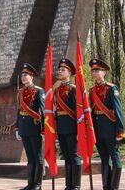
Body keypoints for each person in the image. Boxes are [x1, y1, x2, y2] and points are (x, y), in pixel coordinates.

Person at [89, 58, 125, 190]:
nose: (95, 73)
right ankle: (106, 186)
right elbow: (91, 113)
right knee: (104, 159)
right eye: (93, 71)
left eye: (97, 70)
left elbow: (118, 110)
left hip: (111, 128)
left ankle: (114, 186)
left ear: (104, 72)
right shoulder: (92, 90)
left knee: (115, 158)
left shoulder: (111, 88)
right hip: (98, 130)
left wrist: (120, 130)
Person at [14, 63, 45, 190]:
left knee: (38, 156)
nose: (23, 77)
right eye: (22, 75)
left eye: (26, 75)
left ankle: (37, 184)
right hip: (24, 127)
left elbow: (43, 111)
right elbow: (18, 111)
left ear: (32, 77)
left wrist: (43, 130)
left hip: (35, 127)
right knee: (30, 156)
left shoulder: (38, 91)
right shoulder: (20, 92)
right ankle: (30, 183)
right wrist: (17, 128)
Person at [54, 58, 81, 190]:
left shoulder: (74, 89)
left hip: (72, 127)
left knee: (74, 155)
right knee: (66, 156)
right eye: (59, 69)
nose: (60, 71)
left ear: (69, 73)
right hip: (61, 127)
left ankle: (75, 185)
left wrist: (79, 130)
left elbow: (78, 112)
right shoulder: (57, 90)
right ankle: (68, 185)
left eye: (63, 70)